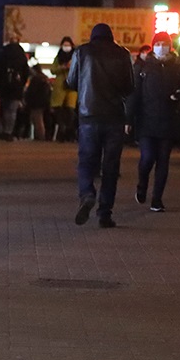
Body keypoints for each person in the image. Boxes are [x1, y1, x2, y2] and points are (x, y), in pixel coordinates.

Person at [66, 23, 133, 228]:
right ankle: (105, 213)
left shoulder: (82, 52)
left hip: (88, 116)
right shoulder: (122, 54)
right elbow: (129, 86)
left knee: (86, 161)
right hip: (114, 118)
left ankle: (87, 193)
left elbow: (71, 81)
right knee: (111, 167)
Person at [127, 33, 180, 212]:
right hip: (147, 120)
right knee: (147, 158)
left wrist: (179, 94)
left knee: (163, 161)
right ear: (153, 46)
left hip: (168, 120)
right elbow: (134, 94)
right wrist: (128, 119)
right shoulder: (143, 67)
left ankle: (157, 199)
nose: (161, 47)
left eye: (165, 44)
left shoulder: (177, 67)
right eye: (158, 43)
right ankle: (142, 184)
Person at [0, 35, 30, 140]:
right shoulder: (21, 54)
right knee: (12, 110)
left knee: (4, 108)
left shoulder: (4, 52)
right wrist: (22, 84)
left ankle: (3, 130)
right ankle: (9, 131)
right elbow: (26, 72)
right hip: (16, 86)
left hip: (4, 85)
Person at [50, 37, 78, 142]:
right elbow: (53, 69)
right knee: (59, 111)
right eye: (64, 45)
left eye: (68, 45)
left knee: (70, 111)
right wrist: (62, 67)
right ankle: (61, 133)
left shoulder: (76, 58)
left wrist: (71, 67)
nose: (66, 47)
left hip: (71, 87)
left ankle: (69, 133)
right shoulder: (58, 57)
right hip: (60, 87)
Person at [24, 64, 52, 141]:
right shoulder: (44, 79)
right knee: (39, 119)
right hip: (42, 102)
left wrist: (28, 100)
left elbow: (31, 92)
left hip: (36, 103)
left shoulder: (36, 79)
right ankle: (40, 135)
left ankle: (40, 136)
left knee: (37, 120)